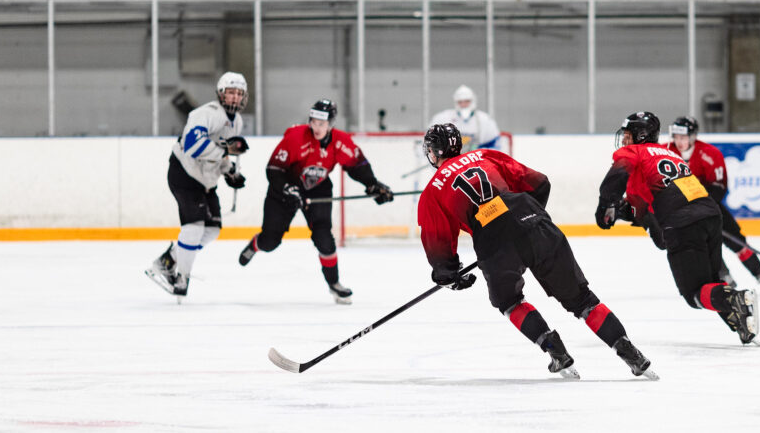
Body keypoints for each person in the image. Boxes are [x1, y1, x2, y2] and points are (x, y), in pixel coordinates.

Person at [418, 123, 656, 380]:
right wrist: (526, 219)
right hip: (531, 218)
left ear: (434, 152)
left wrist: (449, 273)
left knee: (509, 302)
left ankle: (556, 352)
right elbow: (539, 183)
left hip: (492, 240)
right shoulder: (486, 155)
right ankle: (627, 349)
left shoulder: (432, 191)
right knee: (583, 300)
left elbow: (437, 242)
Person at [595, 111, 759, 345]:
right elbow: (642, 207)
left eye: (628, 135)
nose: (624, 140)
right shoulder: (670, 155)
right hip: (711, 216)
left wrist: (604, 206)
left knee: (693, 295)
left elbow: (618, 174)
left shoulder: (635, 152)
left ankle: (735, 298)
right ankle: (739, 320)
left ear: (641, 136)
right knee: (710, 281)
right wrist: (621, 211)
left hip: (683, 223)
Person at [237, 99, 394, 304]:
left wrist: (373, 185)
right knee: (270, 241)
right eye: (314, 122)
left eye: (322, 123)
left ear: (331, 123)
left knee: (324, 238)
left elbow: (358, 165)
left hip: (317, 188)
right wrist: (287, 189)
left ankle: (334, 284)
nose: (317, 127)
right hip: (284, 188)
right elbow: (274, 169)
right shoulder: (295, 137)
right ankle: (256, 244)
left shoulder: (340, 141)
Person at [146, 71, 250, 299]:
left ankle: (168, 261)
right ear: (221, 94)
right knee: (193, 227)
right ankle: (181, 277)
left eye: (238, 93)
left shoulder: (237, 122)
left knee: (212, 230)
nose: (234, 98)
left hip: (204, 179)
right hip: (184, 174)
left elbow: (219, 156)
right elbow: (193, 146)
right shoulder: (206, 114)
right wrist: (226, 152)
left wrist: (230, 172)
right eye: (230, 93)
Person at [667, 116, 760, 292]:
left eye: (683, 137)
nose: (679, 142)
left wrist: (699, 202)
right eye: (677, 137)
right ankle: (725, 277)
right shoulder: (666, 153)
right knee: (706, 244)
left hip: (710, 206)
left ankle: (759, 273)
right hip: (685, 211)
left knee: (737, 241)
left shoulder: (709, 154)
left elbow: (719, 187)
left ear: (693, 136)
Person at [429, 85, 501, 151]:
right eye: (460, 102)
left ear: (472, 101)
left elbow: (494, 144)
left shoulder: (485, 119)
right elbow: (431, 140)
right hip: (451, 162)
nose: (463, 105)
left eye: (467, 101)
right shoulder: (443, 118)